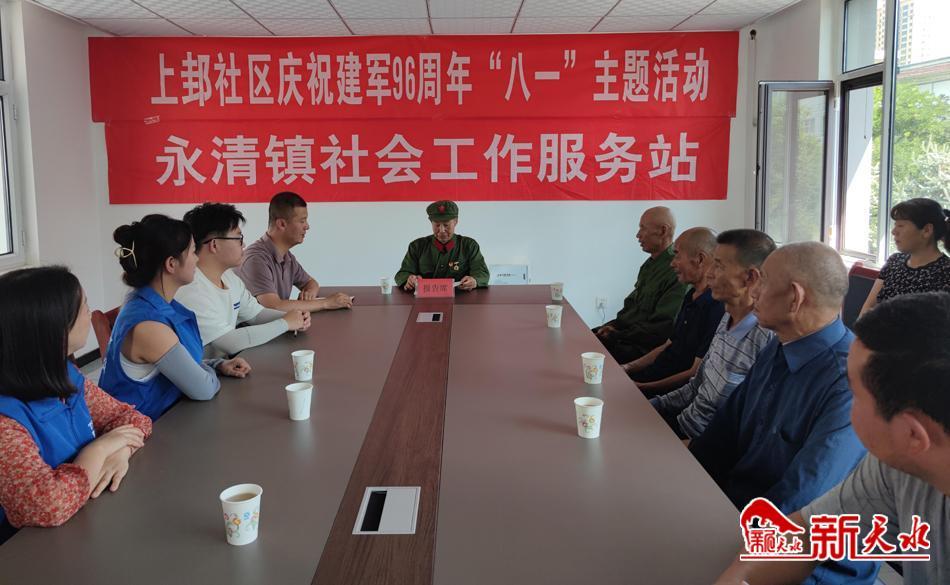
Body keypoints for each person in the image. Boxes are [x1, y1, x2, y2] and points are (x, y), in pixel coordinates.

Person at [716, 292, 950, 585]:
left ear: (912, 435)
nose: (844, 400)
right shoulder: (895, 466)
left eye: (854, 394)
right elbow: (803, 535)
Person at [690, 241, 875, 585]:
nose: (753, 290)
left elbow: (800, 500)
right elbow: (720, 438)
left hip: (804, 561)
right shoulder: (778, 345)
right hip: (735, 521)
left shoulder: (849, 383)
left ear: (794, 298)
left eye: (763, 281)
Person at [0, 267, 152, 543]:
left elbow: (132, 418)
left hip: (86, 526)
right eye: (84, 307)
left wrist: (122, 451)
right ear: (52, 328)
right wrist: (99, 450)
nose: (89, 313)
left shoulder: (65, 375)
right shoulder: (6, 422)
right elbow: (48, 505)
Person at [99, 214, 250, 420]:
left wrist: (217, 365)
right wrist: (204, 374)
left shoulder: (151, 302)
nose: (197, 259)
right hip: (148, 432)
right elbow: (204, 389)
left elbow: (176, 363)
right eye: (192, 252)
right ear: (171, 264)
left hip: (168, 418)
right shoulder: (149, 326)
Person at [650, 229, 775, 440]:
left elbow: (744, 428)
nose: (709, 274)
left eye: (719, 266)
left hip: (701, 446)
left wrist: (688, 446)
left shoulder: (766, 340)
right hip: (682, 425)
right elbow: (696, 387)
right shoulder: (727, 317)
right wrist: (653, 404)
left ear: (750, 277)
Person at [175, 203, 310, 359]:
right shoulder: (191, 289)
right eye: (239, 238)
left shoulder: (229, 277)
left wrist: (294, 317)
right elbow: (229, 342)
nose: (244, 244)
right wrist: (285, 323)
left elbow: (256, 315)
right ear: (214, 245)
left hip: (223, 366)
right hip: (201, 371)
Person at [622, 227, 725, 397]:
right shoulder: (691, 295)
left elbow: (694, 372)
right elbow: (668, 345)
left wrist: (642, 387)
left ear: (700, 259)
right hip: (651, 376)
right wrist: (627, 367)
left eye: (677, 255)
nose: (672, 263)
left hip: (666, 393)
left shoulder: (716, 306)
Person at [592, 206, 688, 364]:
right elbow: (631, 308)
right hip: (627, 336)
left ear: (663, 231)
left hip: (643, 348)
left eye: (643, 228)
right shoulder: (649, 266)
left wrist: (618, 335)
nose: (638, 235)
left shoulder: (676, 271)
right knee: (583, 337)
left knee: (587, 353)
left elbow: (661, 328)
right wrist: (611, 326)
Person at [235, 192, 353, 313]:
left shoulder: (287, 257)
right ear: (282, 224)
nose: (307, 226)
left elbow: (311, 283)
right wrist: (326, 303)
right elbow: (273, 306)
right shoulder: (256, 259)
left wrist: (309, 293)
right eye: (302, 221)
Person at [860, 197, 950, 315]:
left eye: (901, 226)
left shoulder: (946, 272)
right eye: (895, 225)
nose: (894, 231)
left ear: (927, 230)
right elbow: (868, 308)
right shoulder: (894, 261)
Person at [395, 200, 490, 291]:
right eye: (437, 225)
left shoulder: (469, 246)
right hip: (425, 299)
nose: (441, 230)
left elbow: (482, 273)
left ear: (455, 222)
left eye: (446, 225)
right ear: (431, 223)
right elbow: (402, 273)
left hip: (460, 298)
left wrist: (474, 280)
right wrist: (409, 279)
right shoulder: (417, 246)